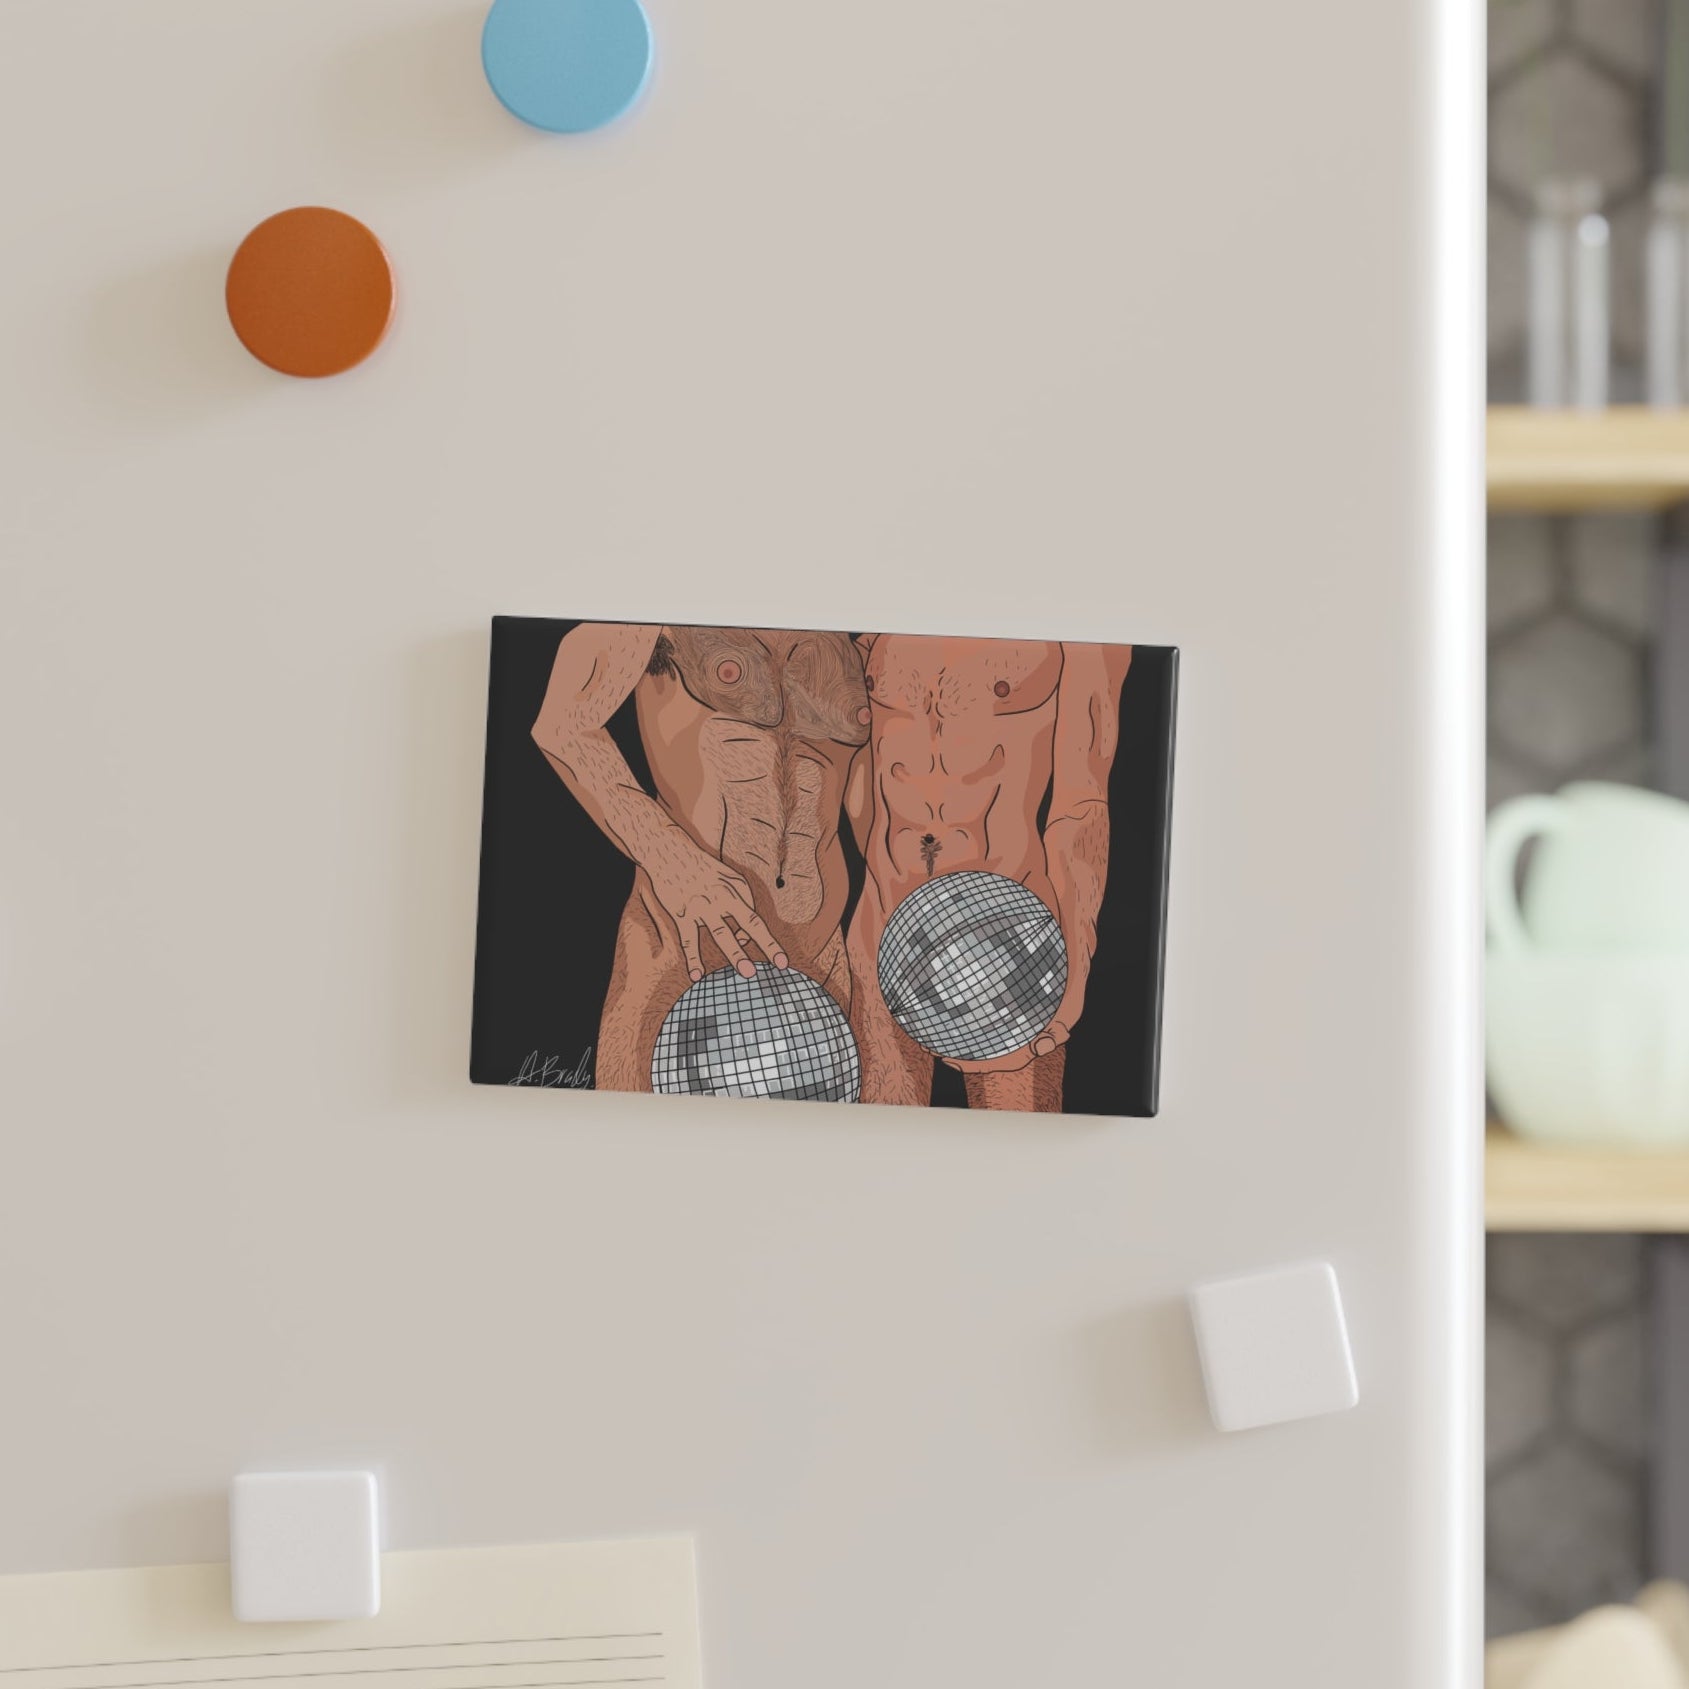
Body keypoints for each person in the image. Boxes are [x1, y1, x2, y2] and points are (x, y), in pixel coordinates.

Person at [531, 622, 871, 1091]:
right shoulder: (656, 612)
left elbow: (869, 810)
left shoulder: (859, 639)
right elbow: (563, 724)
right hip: (683, 952)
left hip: (820, 963)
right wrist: (672, 859)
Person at [844, 636, 1131, 1113]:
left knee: (1017, 1143)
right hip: (883, 920)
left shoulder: (1079, 630)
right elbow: (859, 761)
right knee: (880, 1140)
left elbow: (1082, 803)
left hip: (1007, 935)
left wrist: (1077, 958)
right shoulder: (875, 618)